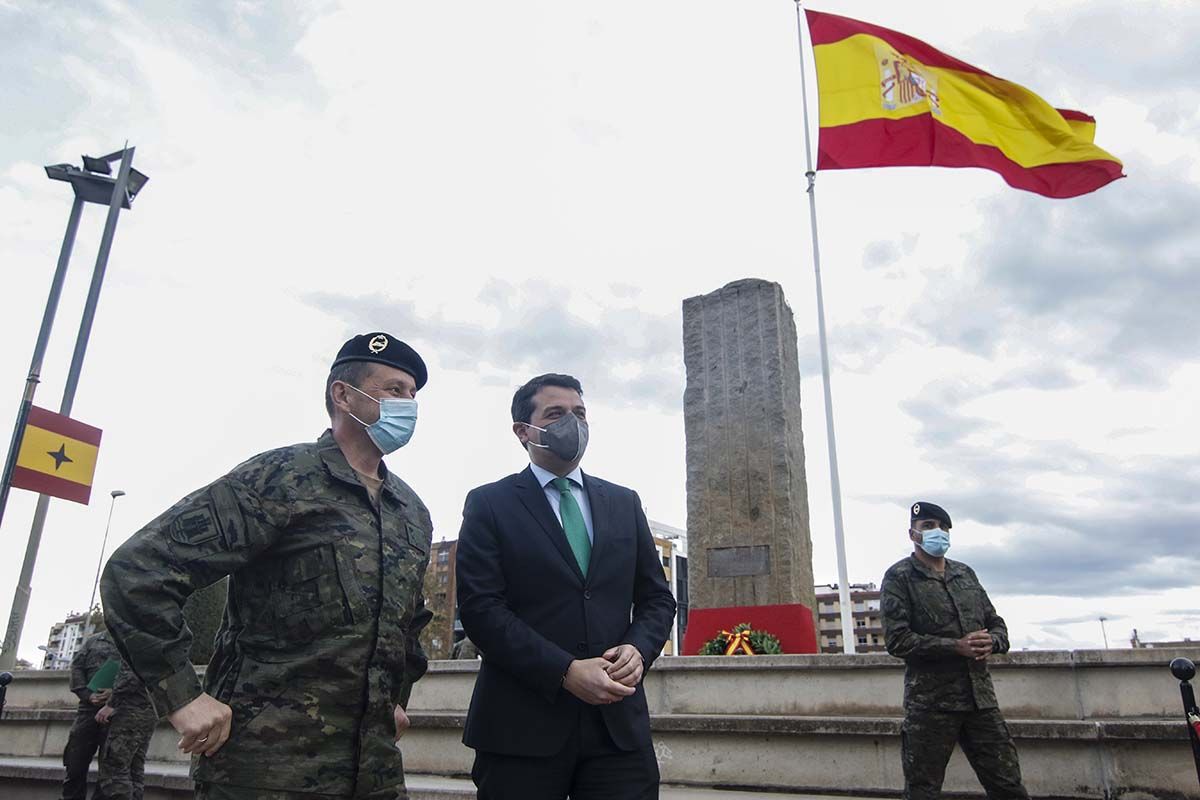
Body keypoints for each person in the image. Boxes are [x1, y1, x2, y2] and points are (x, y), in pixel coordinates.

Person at [100, 332, 436, 800]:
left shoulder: (411, 511)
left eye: (413, 395)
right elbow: (137, 571)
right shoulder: (281, 478)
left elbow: (410, 621)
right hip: (265, 770)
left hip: (375, 772)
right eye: (394, 390)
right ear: (343, 394)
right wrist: (181, 695)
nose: (409, 406)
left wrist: (398, 699)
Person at [456, 373, 677, 800]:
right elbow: (482, 609)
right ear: (523, 431)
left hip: (618, 732)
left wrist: (639, 648)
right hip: (521, 730)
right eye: (555, 414)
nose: (571, 423)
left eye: (579, 413)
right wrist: (564, 672)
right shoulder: (489, 503)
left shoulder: (624, 501)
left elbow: (656, 598)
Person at [881, 501, 1029, 800]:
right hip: (931, 705)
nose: (938, 532)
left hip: (980, 702)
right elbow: (898, 640)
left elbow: (996, 624)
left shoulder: (965, 574)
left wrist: (994, 641)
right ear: (913, 534)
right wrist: (955, 647)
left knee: (1008, 785)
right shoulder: (899, 577)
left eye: (943, 527)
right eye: (929, 527)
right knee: (923, 790)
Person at [62, 627, 118, 800]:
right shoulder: (93, 641)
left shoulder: (130, 641)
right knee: (75, 762)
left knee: (110, 768)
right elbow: (77, 667)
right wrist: (87, 694)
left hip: (117, 711)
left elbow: (136, 675)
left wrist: (113, 693)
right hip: (87, 710)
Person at [96, 659, 156, 800]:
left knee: (114, 769)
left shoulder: (137, 639)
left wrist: (111, 703)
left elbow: (131, 675)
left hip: (130, 711)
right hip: (148, 710)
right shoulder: (159, 639)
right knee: (134, 769)